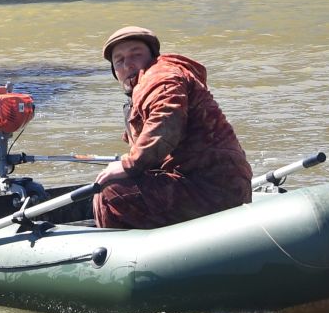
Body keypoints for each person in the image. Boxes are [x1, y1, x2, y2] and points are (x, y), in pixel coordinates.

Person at [91, 26, 253, 229]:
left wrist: (128, 164)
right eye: (119, 60)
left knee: (110, 192)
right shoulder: (150, 83)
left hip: (211, 188)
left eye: (135, 54)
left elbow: (166, 122)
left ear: (152, 57)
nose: (128, 64)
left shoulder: (161, 78)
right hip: (207, 183)